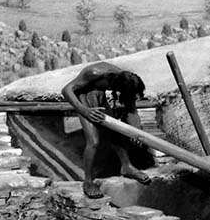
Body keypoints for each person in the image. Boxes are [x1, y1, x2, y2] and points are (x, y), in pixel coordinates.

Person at [61, 62, 153, 198]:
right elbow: (66, 90)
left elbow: (131, 107)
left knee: (115, 131)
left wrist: (137, 130)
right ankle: (88, 181)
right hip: (83, 100)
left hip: (99, 97)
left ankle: (127, 167)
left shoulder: (126, 80)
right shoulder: (95, 73)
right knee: (93, 141)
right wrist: (85, 111)